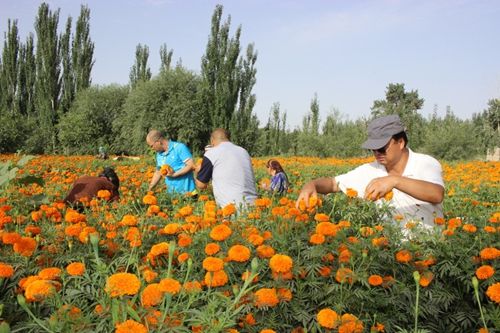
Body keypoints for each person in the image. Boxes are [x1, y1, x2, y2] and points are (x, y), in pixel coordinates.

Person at [296, 115, 444, 228]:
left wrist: (394, 180)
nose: (377, 152)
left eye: (381, 147)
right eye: (373, 148)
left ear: (400, 142)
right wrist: (311, 185)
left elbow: (437, 194)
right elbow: (333, 184)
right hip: (391, 254)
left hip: (428, 249)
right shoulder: (371, 170)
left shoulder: (425, 163)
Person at [195, 128, 258, 208]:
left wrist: (197, 171)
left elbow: (201, 185)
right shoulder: (243, 151)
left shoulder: (211, 153)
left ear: (212, 141)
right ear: (228, 139)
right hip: (255, 205)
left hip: (232, 208)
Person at [146, 130, 196, 194]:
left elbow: (191, 165)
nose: (152, 148)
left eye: (151, 146)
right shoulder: (159, 155)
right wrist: (150, 188)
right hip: (172, 195)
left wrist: (174, 174)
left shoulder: (179, 147)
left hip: (188, 194)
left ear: (158, 142)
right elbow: (158, 172)